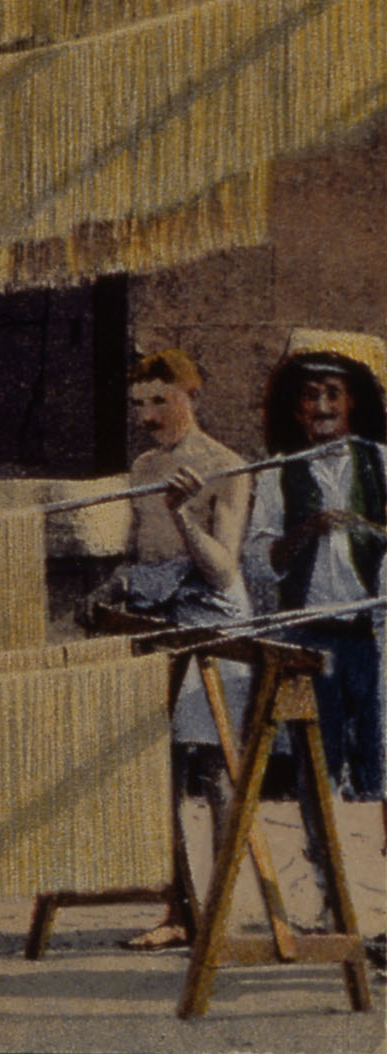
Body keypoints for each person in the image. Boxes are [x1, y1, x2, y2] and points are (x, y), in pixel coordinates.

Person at [86, 351, 251, 951]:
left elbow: (222, 568)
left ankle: (222, 914)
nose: (149, 415)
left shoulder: (226, 467)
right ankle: (179, 912)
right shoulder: (144, 466)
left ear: (191, 392)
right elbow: (139, 552)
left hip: (211, 616)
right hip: (159, 612)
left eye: (161, 400)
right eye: (139, 404)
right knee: (161, 769)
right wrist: (112, 584)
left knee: (214, 768)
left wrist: (182, 514)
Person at [246, 331, 387, 803]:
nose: (321, 405)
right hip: (309, 639)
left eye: (332, 393)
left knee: (376, 764)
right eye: (310, 395)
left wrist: (367, 529)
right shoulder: (275, 472)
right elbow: (258, 564)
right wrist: (305, 531)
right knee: (317, 767)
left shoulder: (382, 464)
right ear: (296, 408)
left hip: (371, 638)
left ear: (352, 403)